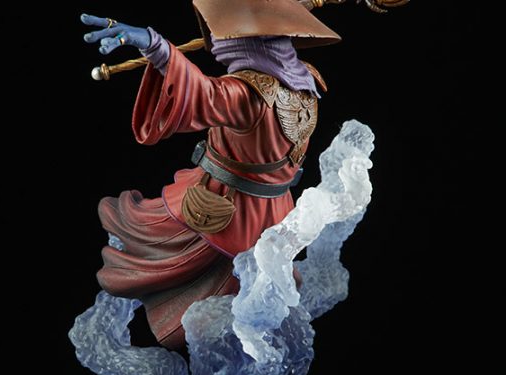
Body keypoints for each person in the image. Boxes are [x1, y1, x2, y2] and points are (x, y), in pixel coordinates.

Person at [81, 0, 340, 349]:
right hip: (272, 208)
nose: (218, 41)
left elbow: (203, 94)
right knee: (245, 288)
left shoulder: (247, 95)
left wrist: (158, 48)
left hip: (231, 208)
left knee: (193, 279)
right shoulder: (306, 79)